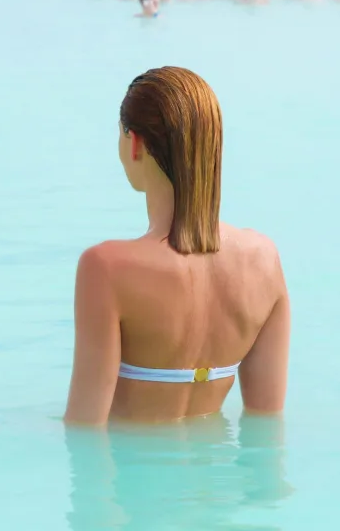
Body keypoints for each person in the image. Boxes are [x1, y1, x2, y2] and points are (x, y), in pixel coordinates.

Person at [64, 67, 290, 425]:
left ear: (134, 142)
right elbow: (267, 424)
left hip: (136, 477)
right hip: (216, 477)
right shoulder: (264, 258)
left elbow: (84, 428)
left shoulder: (106, 267)